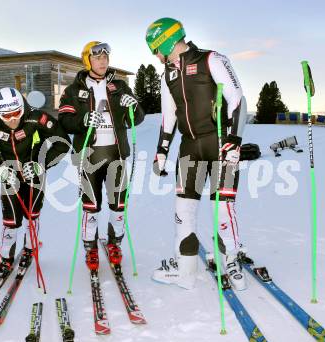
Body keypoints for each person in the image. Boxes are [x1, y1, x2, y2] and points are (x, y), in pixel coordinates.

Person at [145, 18, 248, 290]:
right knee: (183, 208)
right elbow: (168, 116)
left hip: (219, 143)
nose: (155, 55)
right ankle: (185, 267)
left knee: (223, 206)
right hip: (189, 146)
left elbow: (237, 100)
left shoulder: (211, 59)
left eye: (155, 48)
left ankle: (232, 260)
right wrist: (161, 151)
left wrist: (234, 141)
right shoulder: (167, 74)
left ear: (166, 41)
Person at [0, 87, 70, 279]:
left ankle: (29, 248)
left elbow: (63, 143)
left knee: (32, 216)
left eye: (16, 113)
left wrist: (41, 165)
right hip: (8, 177)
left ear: (22, 107)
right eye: (6, 115)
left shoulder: (37, 118)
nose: (12, 119)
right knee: (11, 221)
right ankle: (6, 259)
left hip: (35, 175)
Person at [58, 41, 144, 271]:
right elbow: (64, 120)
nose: (103, 61)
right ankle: (91, 247)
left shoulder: (120, 86)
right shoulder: (74, 90)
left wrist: (133, 107)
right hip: (89, 155)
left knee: (118, 204)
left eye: (106, 57)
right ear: (88, 60)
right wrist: (83, 121)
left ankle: (115, 243)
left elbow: (138, 117)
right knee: (91, 205)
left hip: (116, 153)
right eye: (97, 57)